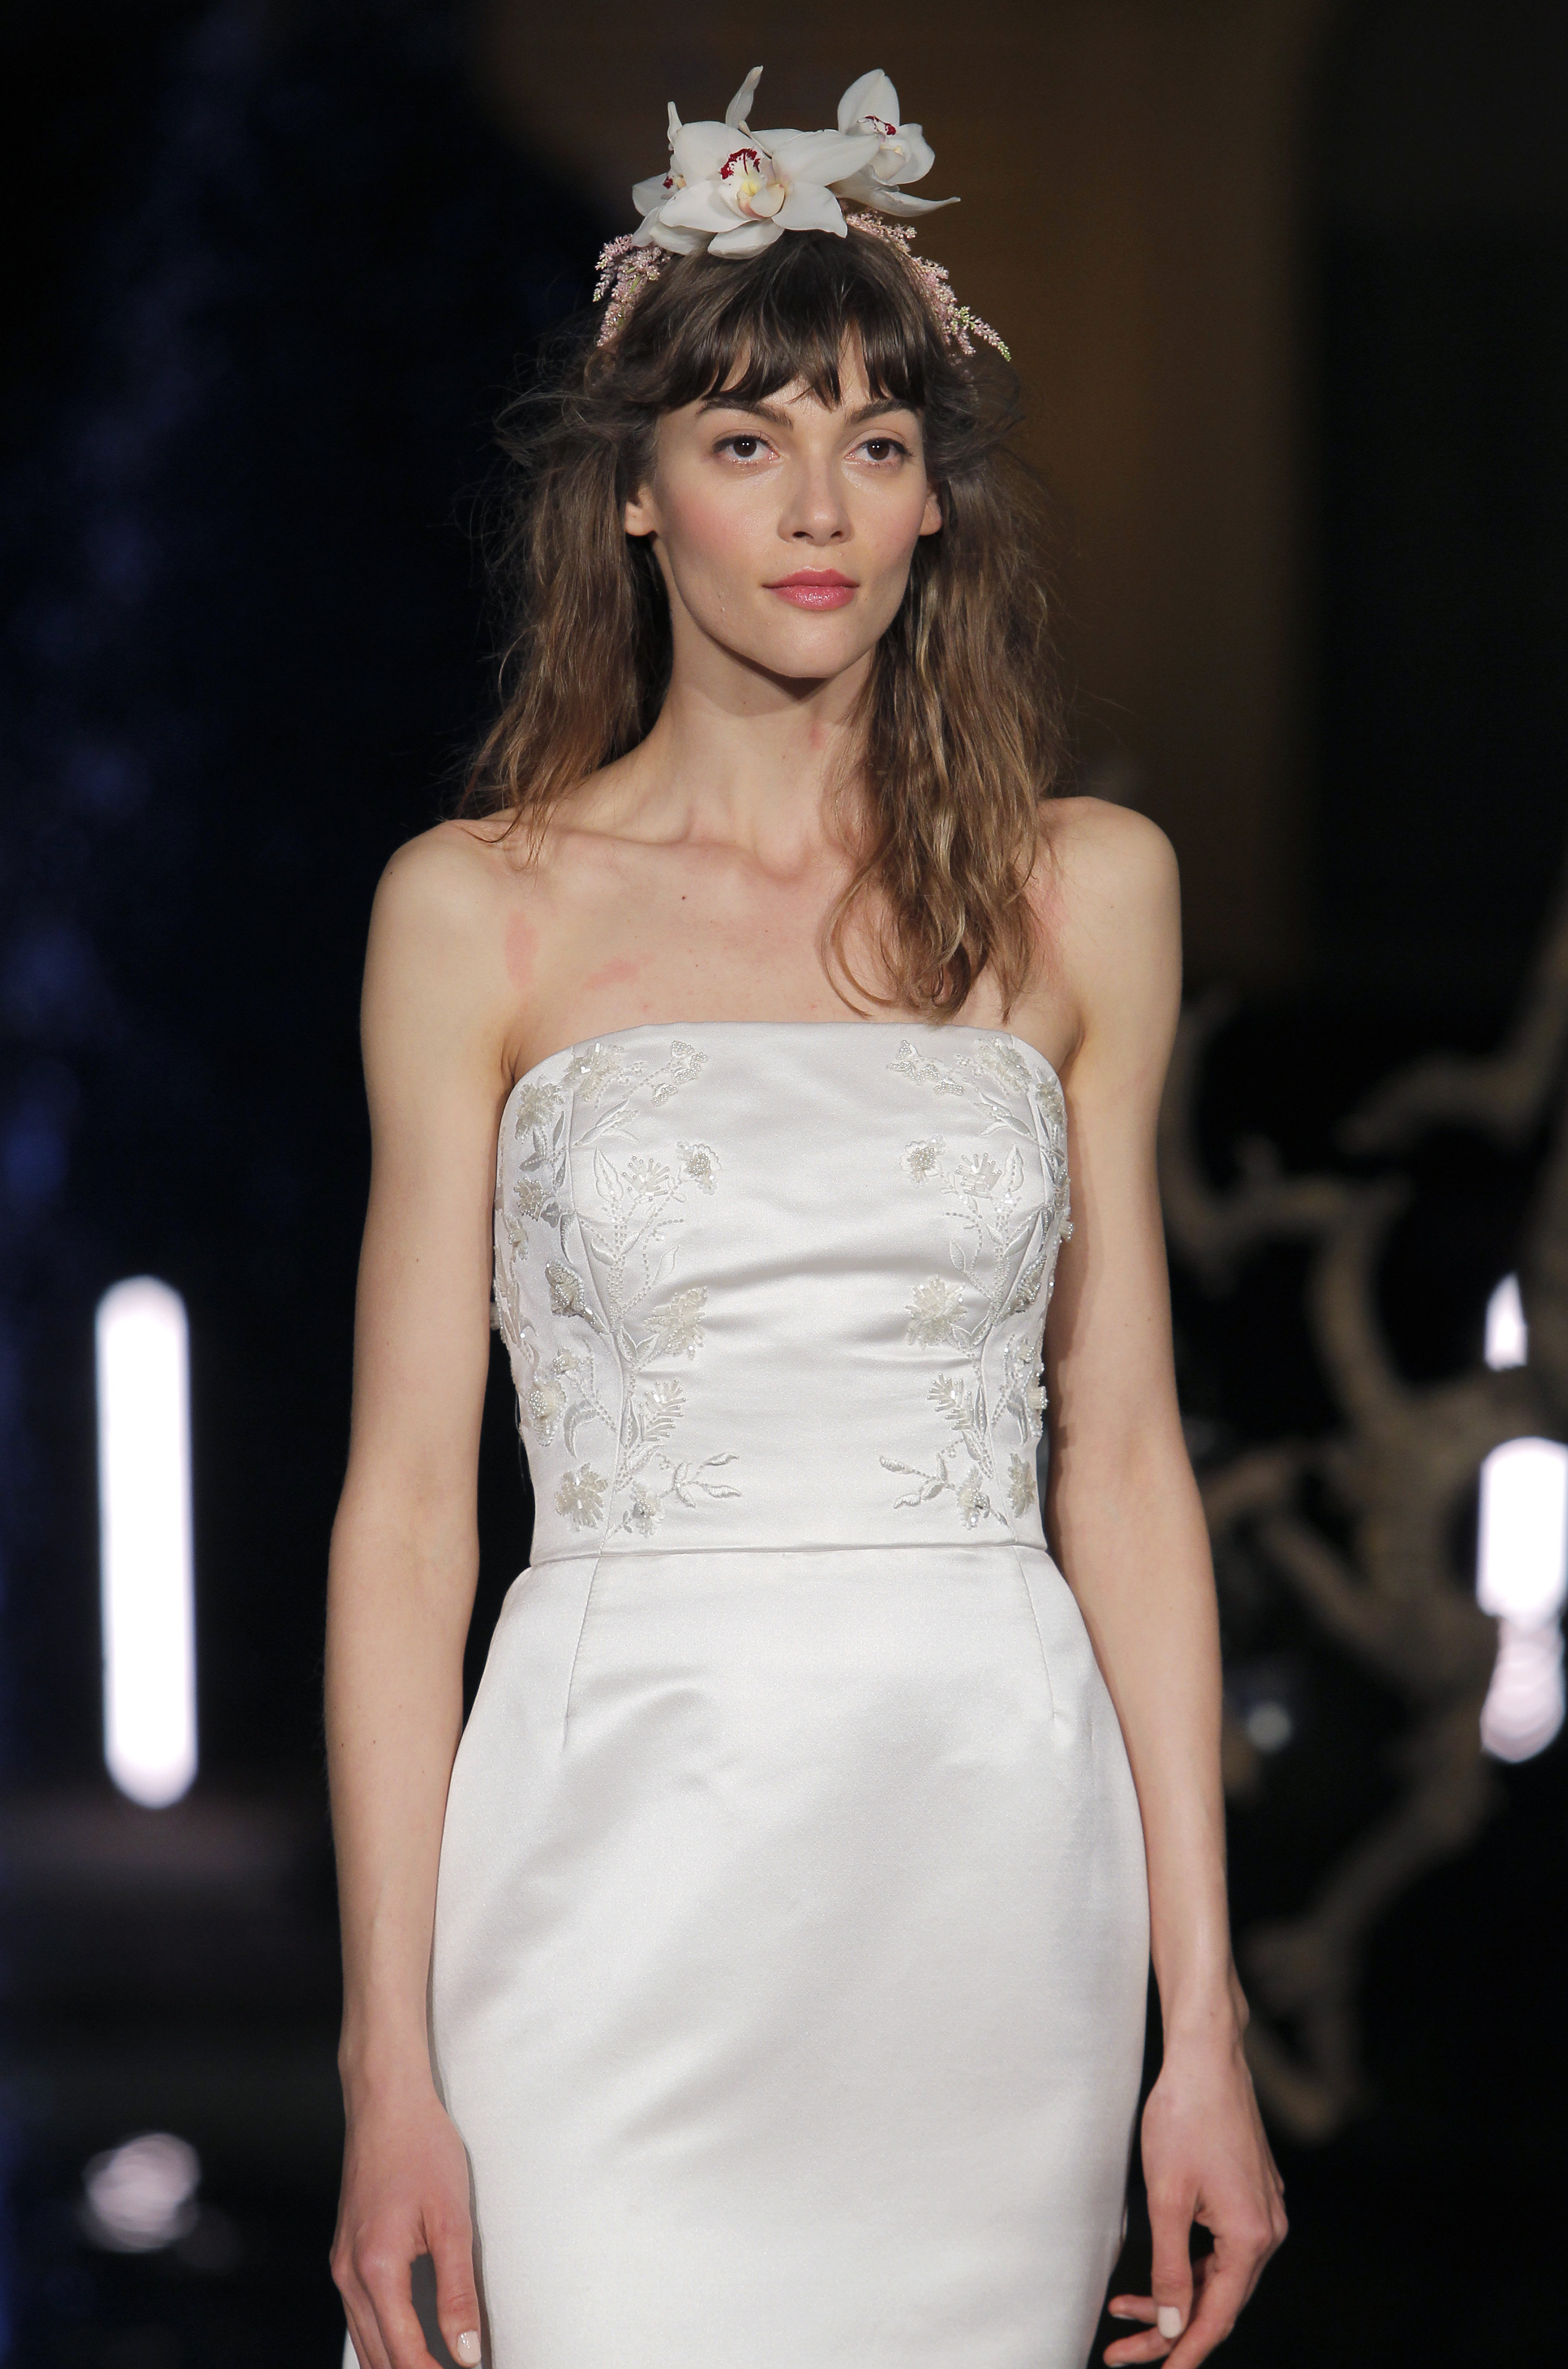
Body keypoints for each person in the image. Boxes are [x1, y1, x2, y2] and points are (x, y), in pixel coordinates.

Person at [325, 66, 1286, 2369]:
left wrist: (1205, 2025)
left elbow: (1123, 1464)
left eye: (877, 437)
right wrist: (384, 2061)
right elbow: (407, 1514)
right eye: (747, 439)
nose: (821, 503)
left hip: (984, 1870)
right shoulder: (478, 910)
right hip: (603, 1857)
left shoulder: (1085, 893)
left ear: (939, 495)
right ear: (634, 492)